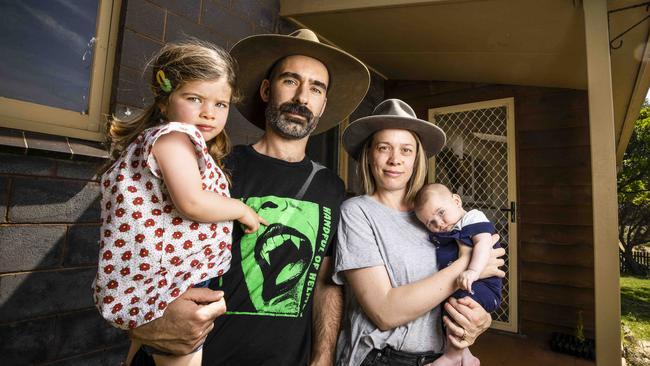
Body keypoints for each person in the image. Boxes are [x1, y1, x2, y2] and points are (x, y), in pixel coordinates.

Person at [128, 29, 371, 365]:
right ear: (267, 90)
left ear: (323, 104)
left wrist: (323, 355)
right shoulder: (213, 168)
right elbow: (147, 246)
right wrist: (145, 327)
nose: (302, 97)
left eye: (316, 88)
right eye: (290, 81)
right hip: (200, 354)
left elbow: (325, 283)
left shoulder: (331, 186)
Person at [93, 40, 266, 366]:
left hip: (169, 276)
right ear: (164, 101)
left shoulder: (183, 142)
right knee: (184, 353)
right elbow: (191, 202)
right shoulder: (173, 138)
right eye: (194, 98)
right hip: (169, 278)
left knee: (148, 353)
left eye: (221, 104)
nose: (208, 112)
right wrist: (242, 210)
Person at [333, 98, 505, 366]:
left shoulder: (435, 215)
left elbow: (481, 273)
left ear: (417, 159)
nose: (395, 160)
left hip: (438, 356)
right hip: (382, 357)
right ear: (369, 155)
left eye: (406, 150)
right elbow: (384, 312)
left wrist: (480, 318)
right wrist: (466, 266)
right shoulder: (357, 212)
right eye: (384, 148)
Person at [414, 183, 502, 366]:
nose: (440, 224)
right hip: (464, 283)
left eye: (440, 213)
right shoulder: (447, 232)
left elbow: (484, 243)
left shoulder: (472, 217)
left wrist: (473, 271)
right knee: (448, 309)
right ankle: (467, 357)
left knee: (458, 305)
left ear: (456, 200)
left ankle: (452, 357)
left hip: (482, 284)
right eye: (431, 223)